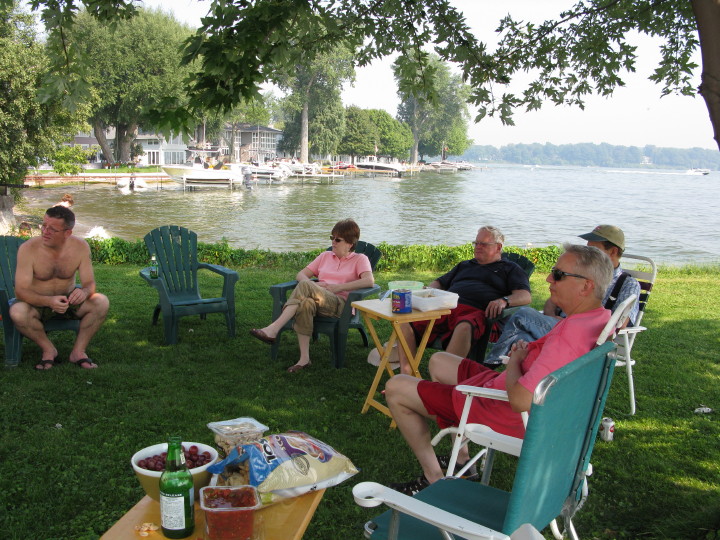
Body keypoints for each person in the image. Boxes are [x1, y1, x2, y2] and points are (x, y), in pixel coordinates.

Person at [384, 244, 613, 495]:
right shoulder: (598, 319)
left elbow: (520, 400)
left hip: (500, 408)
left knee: (396, 387)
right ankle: (462, 462)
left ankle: (433, 479)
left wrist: (515, 359)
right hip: (503, 388)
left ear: (586, 286)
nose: (549, 279)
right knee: (439, 360)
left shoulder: (568, 337)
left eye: (558, 275)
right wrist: (525, 357)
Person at [484, 224, 641, 366]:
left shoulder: (627, 284)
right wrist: (553, 317)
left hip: (582, 338)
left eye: (594, 249)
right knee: (523, 336)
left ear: (613, 251)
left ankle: (491, 365)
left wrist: (570, 323)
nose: (589, 253)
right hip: (559, 327)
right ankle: (509, 374)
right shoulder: (583, 273)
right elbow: (552, 301)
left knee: (523, 314)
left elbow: (621, 323)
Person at [395, 226, 532, 374]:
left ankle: (445, 379)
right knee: (405, 322)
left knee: (464, 326)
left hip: (478, 314)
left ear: (498, 247)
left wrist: (503, 301)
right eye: (476, 243)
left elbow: (525, 296)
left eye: (483, 244)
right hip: (447, 308)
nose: (478, 247)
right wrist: (428, 290)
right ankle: (407, 374)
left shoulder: (510, 268)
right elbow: (439, 282)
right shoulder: (465, 265)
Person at [250, 219, 375, 372]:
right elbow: (301, 274)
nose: (333, 242)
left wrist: (337, 287)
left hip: (341, 303)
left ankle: (274, 328)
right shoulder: (325, 256)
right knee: (305, 304)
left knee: (305, 285)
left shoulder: (360, 259)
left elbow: (369, 281)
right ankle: (304, 359)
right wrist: (314, 286)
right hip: (318, 300)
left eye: (338, 239)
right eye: (332, 238)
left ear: (350, 243)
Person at [9, 206, 110, 370]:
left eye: (52, 229)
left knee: (101, 302)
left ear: (67, 232)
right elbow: (20, 291)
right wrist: (48, 301)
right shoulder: (28, 249)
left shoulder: (80, 247)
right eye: (44, 226)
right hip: (37, 302)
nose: (45, 231)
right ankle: (49, 350)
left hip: (68, 300)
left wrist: (84, 292)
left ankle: (78, 352)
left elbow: (89, 283)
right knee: (17, 312)